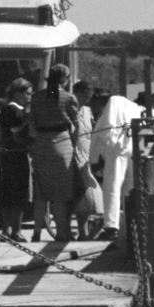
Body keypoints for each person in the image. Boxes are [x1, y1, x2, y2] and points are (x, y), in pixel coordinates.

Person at [27, 65, 79, 243]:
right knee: (60, 196)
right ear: (65, 78)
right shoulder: (68, 97)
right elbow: (76, 125)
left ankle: (36, 233)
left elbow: (31, 125)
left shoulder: (37, 97)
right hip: (62, 145)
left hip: (41, 146)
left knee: (41, 194)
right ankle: (62, 234)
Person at [89, 87, 145, 241]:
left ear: (100, 100)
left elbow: (103, 132)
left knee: (111, 189)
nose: (92, 107)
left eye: (93, 103)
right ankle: (131, 223)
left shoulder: (112, 105)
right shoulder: (128, 104)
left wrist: (96, 158)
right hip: (130, 149)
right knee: (128, 189)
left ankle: (111, 228)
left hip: (117, 151)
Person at [0, 78, 34, 236]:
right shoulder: (14, 110)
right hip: (16, 155)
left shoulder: (6, 109)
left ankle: (7, 229)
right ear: (17, 93)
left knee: (8, 192)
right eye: (27, 94)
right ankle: (16, 231)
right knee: (18, 192)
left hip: (7, 155)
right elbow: (15, 132)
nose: (29, 97)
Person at [70, 81, 105, 240]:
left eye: (89, 97)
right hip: (73, 152)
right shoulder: (70, 108)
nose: (86, 100)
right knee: (84, 192)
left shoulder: (87, 110)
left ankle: (85, 230)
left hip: (86, 153)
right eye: (84, 96)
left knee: (88, 193)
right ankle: (83, 231)